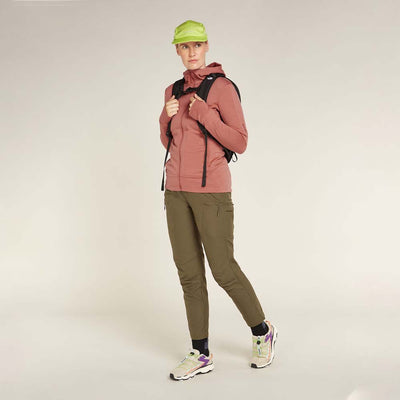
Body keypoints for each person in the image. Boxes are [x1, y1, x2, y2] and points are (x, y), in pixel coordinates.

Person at [159, 19, 278, 381]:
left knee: (222, 268)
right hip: (176, 192)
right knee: (189, 273)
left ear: (206, 46)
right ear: (177, 50)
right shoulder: (173, 90)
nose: (191, 52)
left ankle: (262, 331)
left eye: (197, 45)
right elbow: (170, 142)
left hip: (211, 192)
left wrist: (204, 114)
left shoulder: (222, 88)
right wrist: (164, 119)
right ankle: (201, 352)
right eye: (184, 46)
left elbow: (239, 141)